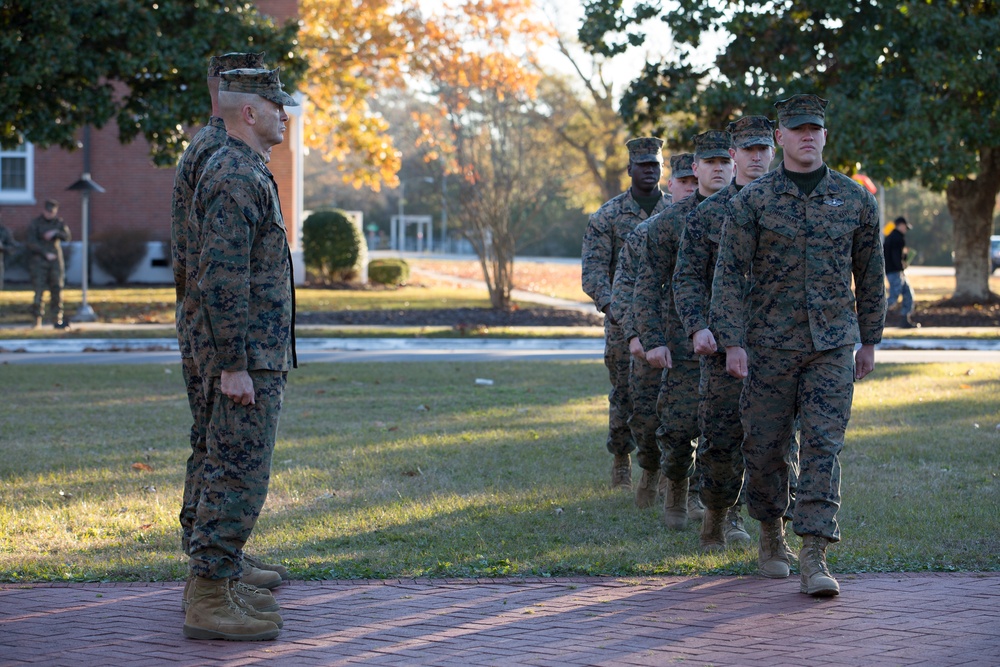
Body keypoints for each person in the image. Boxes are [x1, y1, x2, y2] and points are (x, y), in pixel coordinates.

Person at [709, 94, 886, 596]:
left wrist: (869, 340)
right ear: (781, 137)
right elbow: (728, 276)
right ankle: (771, 534)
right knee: (765, 446)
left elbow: (870, 277)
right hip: (768, 345)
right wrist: (733, 342)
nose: (808, 135)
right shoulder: (753, 201)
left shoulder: (854, 200)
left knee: (824, 447)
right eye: (798, 128)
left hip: (831, 345)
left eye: (816, 128)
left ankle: (814, 554)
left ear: (825, 136)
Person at [183, 67, 299, 641]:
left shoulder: (247, 166)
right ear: (248, 113)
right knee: (238, 473)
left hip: (254, 351)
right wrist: (233, 365)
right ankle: (207, 597)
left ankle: (219, 580)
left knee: (231, 466)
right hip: (244, 356)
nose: (285, 114)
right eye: (275, 105)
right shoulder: (233, 172)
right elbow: (222, 279)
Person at [673, 117, 778, 551]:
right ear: (734, 155)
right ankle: (719, 513)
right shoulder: (709, 214)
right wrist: (698, 326)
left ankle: (773, 531)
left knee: (775, 441)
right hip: (722, 345)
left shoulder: (785, 204)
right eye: (747, 150)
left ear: (772, 152)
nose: (756, 158)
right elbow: (688, 278)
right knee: (722, 438)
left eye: (762, 149)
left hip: (778, 343)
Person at [633, 130, 735, 529]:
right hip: (682, 341)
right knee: (678, 427)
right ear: (695, 168)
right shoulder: (670, 222)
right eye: (708, 163)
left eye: (723, 162)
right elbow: (647, 284)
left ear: (734, 164)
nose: (717, 169)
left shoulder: (749, 211)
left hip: (734, 339)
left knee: (734, 431)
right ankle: (676, 487)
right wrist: (653, 339)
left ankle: (725, 512)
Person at [610, 153, 698, 507]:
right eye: (685, 183)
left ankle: (689, 491)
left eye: (696, 182)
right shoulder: (645, 233)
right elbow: (625, 289)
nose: (691, 189)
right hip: (652, 337)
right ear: (671, 185)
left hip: (693, 339)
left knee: (697, 418)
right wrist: (634, 335)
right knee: (646, 416)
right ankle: (649, 468)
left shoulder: (716, 226)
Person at [582, 137, 671, 489]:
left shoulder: (675, 211)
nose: (650, 171)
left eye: (655, 165)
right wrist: (618, 312)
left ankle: (664, 466)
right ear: (630, 169)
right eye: (643, 165)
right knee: (624, 394)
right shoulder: (608, 216)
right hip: (622, 323)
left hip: (669, 322)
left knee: (669, 394)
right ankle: (621, 457)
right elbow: (593, 273)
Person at [26, 199, 71, 329]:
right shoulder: (36, 224)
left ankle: (57, 319)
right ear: (44, 210)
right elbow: (31, 243)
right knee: (39, 291)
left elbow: (67, 237)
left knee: (57, 289)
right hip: (39, 262)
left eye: (53, 212)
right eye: (48, 211)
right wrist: (45, 253)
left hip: (55, 262)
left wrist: (56, 232)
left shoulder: (59, 223)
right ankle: (37, 319)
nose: (50, 214)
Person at [884, 216, 918, 328]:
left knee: (908, 294)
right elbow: (895, 256)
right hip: (895, 272)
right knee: (893, 297)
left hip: (894, 271)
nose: (905, 230)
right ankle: (873, 319)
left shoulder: (889, 237)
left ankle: (905, 319)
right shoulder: (897, 238)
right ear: (901, 225)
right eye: (905, 227)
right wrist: (901, 265)